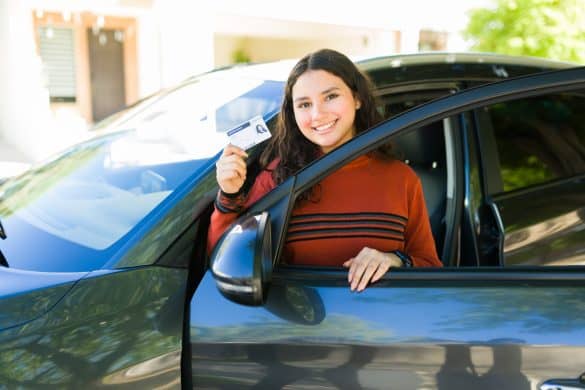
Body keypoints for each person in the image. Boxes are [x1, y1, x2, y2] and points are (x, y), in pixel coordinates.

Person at [208, 48, 442, 291]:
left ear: (357, 98)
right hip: (298, 324)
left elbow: (430, 265)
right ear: (293, 113)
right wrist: (229, 195)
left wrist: (395, 259)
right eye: (305, 104)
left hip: (385, 324)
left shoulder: (401, 179)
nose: (318, 114)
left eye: (330, 97)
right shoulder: (277, 176)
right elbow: (226, 263)